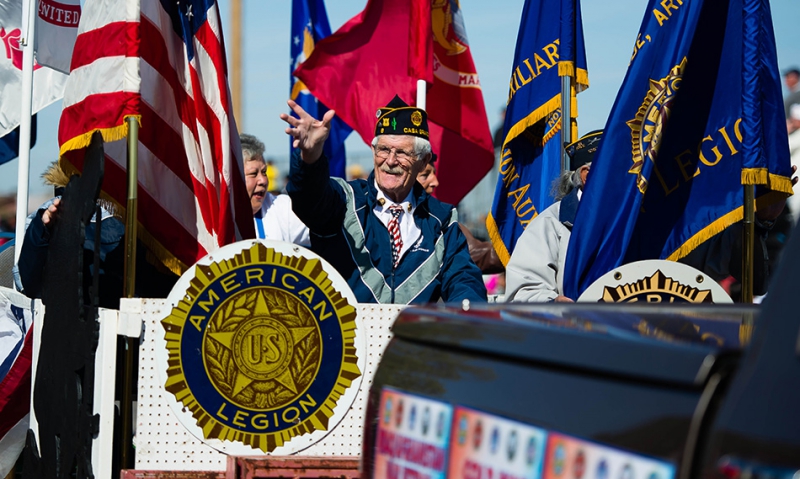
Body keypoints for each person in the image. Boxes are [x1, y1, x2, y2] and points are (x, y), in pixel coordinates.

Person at [280, 95, 486, 304]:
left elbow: (463, 278)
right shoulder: (346, 200)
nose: (390, 161)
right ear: (373, 151)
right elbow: (309, 199)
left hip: (409, 335)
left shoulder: (441, 220)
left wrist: (468, 311)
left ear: (423, 160)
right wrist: (310, 157)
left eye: (402, 152)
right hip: (346, 335)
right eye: (384, 149)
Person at [14, 162, 178, 309]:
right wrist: (46, 232)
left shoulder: (155, 207)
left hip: (148, 323)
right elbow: (28, 285)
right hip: (79, 328)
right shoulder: (53, 211)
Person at [505, 131, 600, 303]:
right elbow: (523, 293)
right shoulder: (549, 224)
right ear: (587, 174)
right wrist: (552, 303)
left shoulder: (635, 220)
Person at [416, 153, 504, 275]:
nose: (435, 182)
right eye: (425, 175)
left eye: (434, 173)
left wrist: (523, 251)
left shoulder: (443, 219)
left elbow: (478, 255)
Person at [241, 134, 310, 246]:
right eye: (253, 174)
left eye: (264, 172)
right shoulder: (209, 218)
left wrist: (312, 155)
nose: (263, 180)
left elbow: (322, 223)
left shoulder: (282, 208)